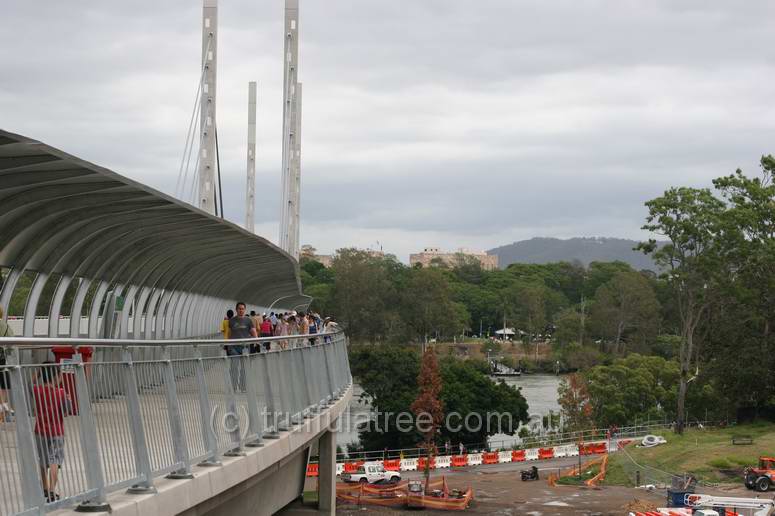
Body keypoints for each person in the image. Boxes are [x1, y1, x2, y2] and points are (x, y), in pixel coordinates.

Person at [33, 363, 72, 502]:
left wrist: (37, 374)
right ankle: (51, 491)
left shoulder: (37, 390)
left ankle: (44, 488)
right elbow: (67, 411)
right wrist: (68, 400)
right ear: (56, 377)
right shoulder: (61, 393)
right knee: (54, 460)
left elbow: (27, 386)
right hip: (56, 432)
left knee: (43, 460)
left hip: (40, 431)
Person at [227, 302, 257, 391]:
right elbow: (229, 334)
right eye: (239, 309)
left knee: (244, 368)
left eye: (242, 309)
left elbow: (254, 332)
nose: (241, 310)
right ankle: (233, 387)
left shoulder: (248, 320)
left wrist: (256, 342)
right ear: (236, 310)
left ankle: (243, 387)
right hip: (234, 348)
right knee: (234, 367)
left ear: (245, 310)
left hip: (245, 347)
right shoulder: (231, 321)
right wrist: (228, 345)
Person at [0, 305, 13, 422]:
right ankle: (3, 412)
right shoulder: (6, 326)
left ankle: (4, 410)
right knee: (3, 389)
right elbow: (11, 345)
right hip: (4, 362)